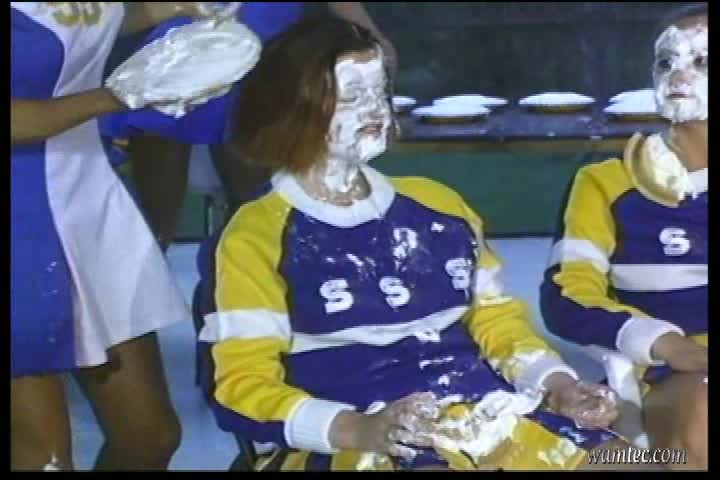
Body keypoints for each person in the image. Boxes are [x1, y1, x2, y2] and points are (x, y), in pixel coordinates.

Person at [196, 17, 655, 472]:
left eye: (379, 92)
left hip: (486, 417)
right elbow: (241, 386)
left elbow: (498, 324)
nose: (374, 111)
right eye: (352, 96)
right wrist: (357, 429)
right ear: (290, 109)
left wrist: (556, 385)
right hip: (348, 439)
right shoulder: (256, 235)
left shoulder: (440, 206)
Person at [10, 2, 222, 471]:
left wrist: (178, 6)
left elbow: (79, 20)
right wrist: (120, 95)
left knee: (151, 439)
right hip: (18, 225)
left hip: (86, 200)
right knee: (45, 460)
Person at [539, 3, 707, 470]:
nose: (679, 75)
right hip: (676, 374)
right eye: (666, 61)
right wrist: (666, 343)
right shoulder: (607, 184)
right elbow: (566, 297)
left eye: (702, 61)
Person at [101, 2, 398, 250]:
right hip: (176, 44)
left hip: (266, 46)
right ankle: (141, 291)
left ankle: (244, 285)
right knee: (153, 222)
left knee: (255, 206)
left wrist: (369, 32)